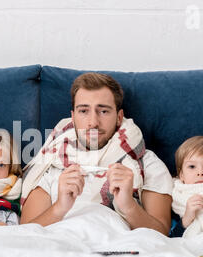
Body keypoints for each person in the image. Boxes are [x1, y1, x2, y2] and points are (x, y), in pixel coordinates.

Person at [20, 72, 173, 235]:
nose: (93, 122)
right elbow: (24, 234)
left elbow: (162, 234)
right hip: (62, 244)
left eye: (104, 111)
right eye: (84, 111)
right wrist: (60, 207)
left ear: (119, 117)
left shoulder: (146, 162)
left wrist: (129, 206)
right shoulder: (50, 162)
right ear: (73, 117)